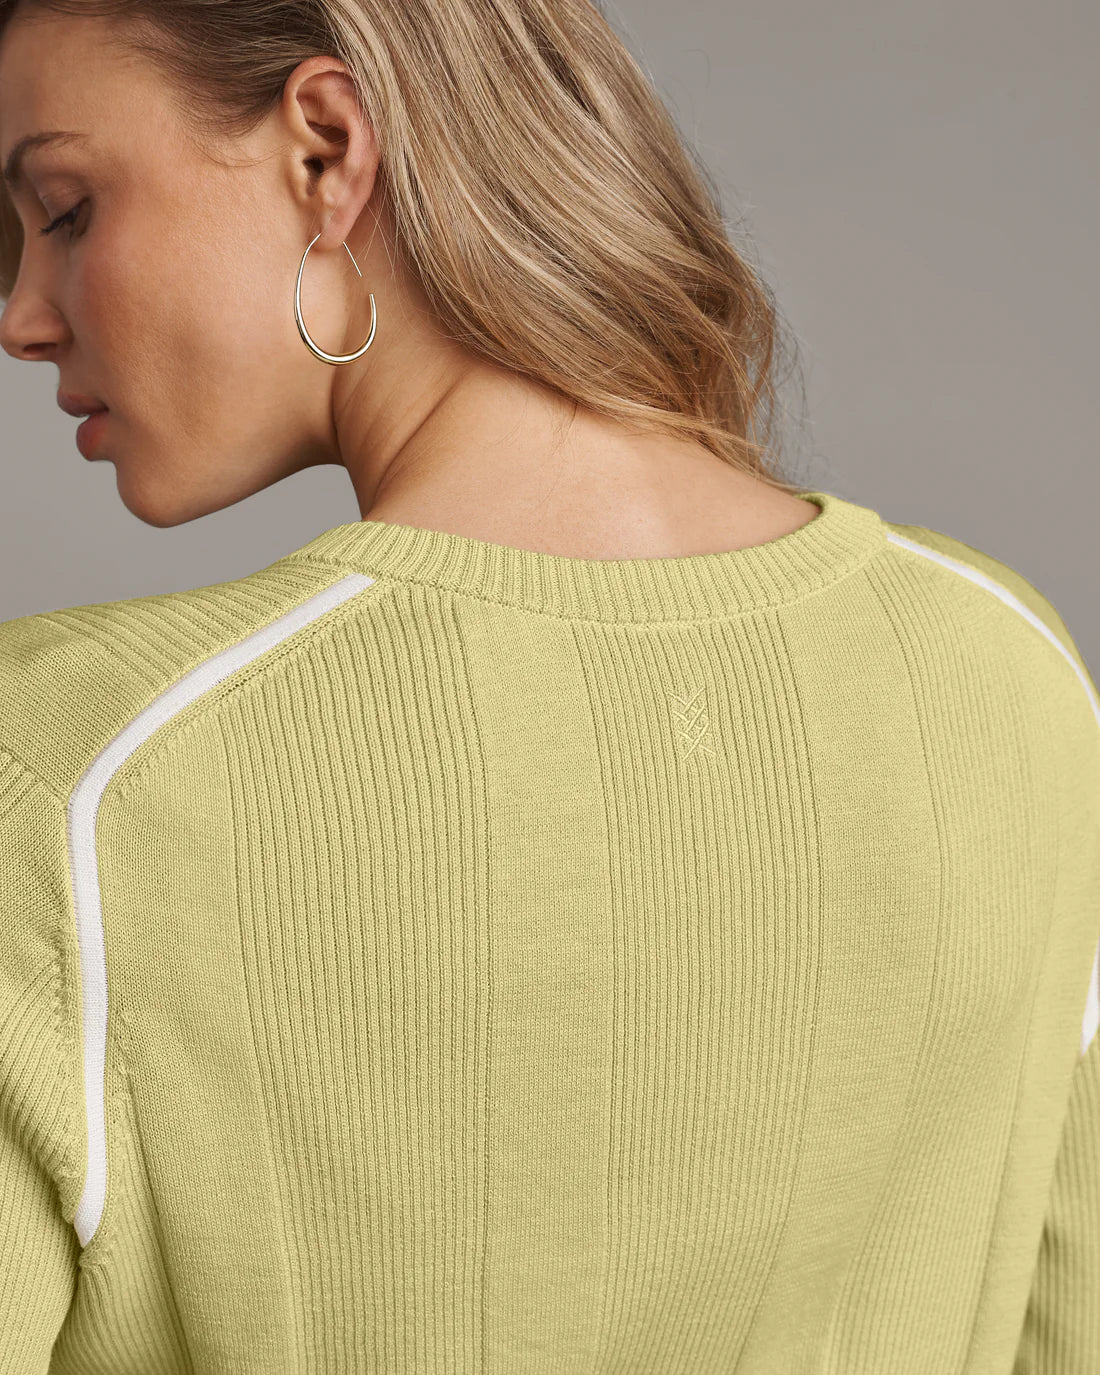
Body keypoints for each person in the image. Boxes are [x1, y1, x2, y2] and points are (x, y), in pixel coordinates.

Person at [0, 2, 1095, 1372]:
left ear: (327, 152)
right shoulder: (1010, 673)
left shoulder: (69, 782)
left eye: (67, 211)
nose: (22, 319)